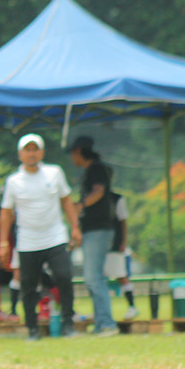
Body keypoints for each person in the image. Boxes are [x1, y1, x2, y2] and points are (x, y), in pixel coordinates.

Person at [0, 133, 81, 341]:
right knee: (27, 284)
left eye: (35, 149)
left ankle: (68, 324)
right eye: (27, 150)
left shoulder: (54, 173)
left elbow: (66, 201)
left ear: (42, 152)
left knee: (63, 276)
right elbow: (6, 213)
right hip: (28, 240)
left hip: (55, 236)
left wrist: (75, 227)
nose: (31, 154)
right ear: (20, 154)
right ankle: (33, 329)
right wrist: (3, 242)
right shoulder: (13, 181)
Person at [70, 135, 119, 336]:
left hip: (98, 229)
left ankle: (107, 323)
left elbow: (98, 191)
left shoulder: (97, 168)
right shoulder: (91, 170)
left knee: (93, 277)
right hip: (92, 230)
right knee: (92, 278)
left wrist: (80, 205)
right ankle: (101, 323)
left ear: (80, 151)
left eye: (73, 153)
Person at [105, 191, 139, 321]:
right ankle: (101, 310)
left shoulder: (117, 199)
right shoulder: (88, 197)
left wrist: (122, 242)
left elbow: (123, 222)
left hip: (114, 245)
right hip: (100, 246)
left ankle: (132, 306)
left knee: (121, 276)